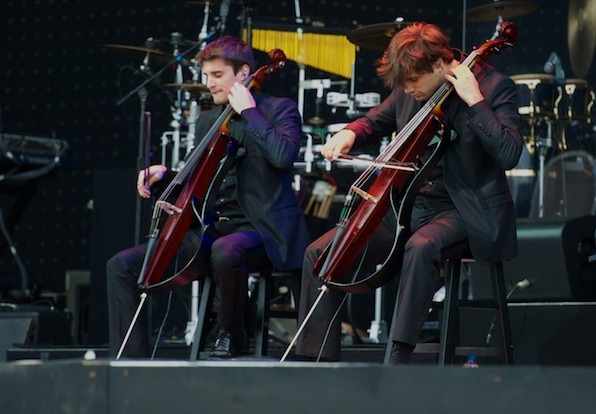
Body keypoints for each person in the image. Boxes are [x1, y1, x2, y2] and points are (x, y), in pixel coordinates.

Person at [293, 22, 523, 364]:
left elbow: (509, 153)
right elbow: (374, 121)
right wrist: (350, 134)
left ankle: (397, 360)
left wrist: (474, 100)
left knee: (422, 246)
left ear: (440, 64)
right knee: (320, 254)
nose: (407, 89)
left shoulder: (492, 86)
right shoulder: (408, 88)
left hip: (465, 209)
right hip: (407, 207)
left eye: (413, 81)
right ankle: (317, 366)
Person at [107, 35, 309, 359]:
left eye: (217, 75)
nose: (209, 84)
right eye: (206, 76)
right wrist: (164, 178)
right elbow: (197, 182)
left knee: (225, 250)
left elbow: (283, 156)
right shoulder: (207, 122)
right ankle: (129, 363)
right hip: (209, 232)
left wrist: (250, 113)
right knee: (121, 266)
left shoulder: (278, 109)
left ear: (243, 74)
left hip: (263, 232)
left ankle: (232, 335)